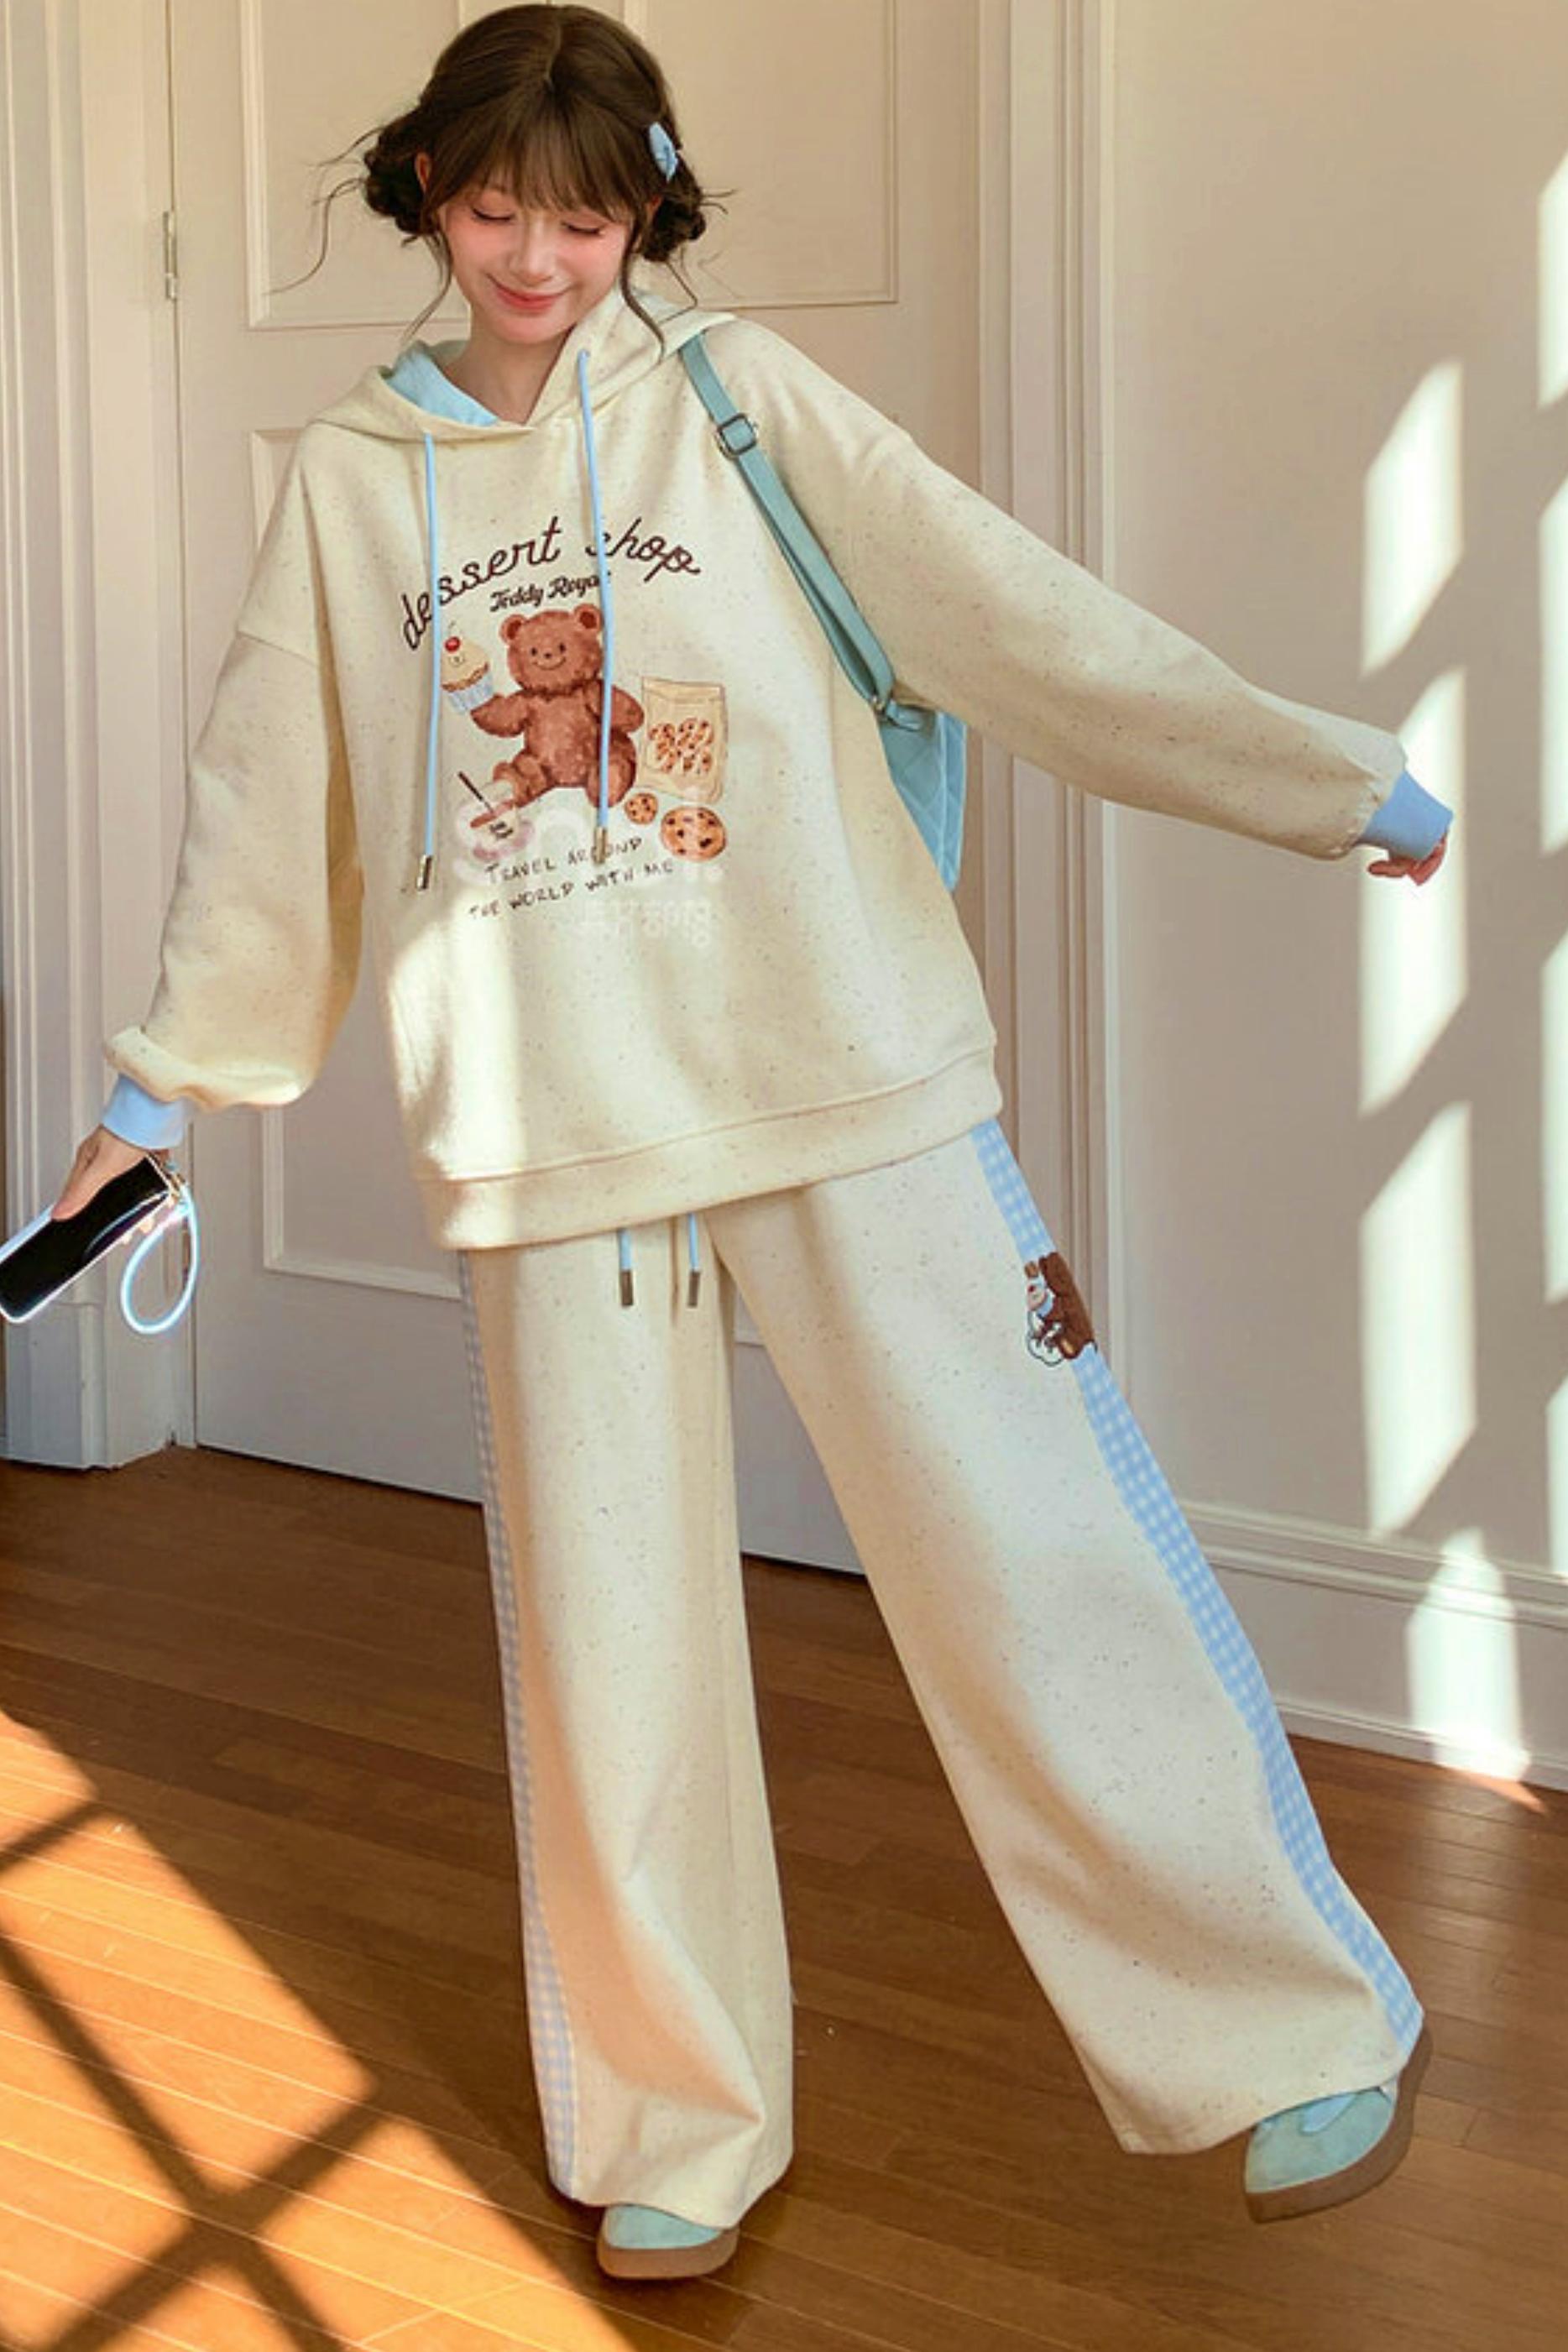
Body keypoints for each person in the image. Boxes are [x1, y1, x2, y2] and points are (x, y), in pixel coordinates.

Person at [51, 3, 1448, 2287]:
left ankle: (1277, 2021)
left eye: (584, 218)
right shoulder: (350, 481)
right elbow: (268, 818)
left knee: (1034, 1555)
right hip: (554, 1132)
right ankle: (674, 2111)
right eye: (495, 210)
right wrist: (146, 1102)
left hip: (841, 1064)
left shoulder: (736, 403)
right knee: (608, 1655)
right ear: (426, 197)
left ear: (647, 211)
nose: (537, 259)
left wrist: (1323, 778)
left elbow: (1011, 614)